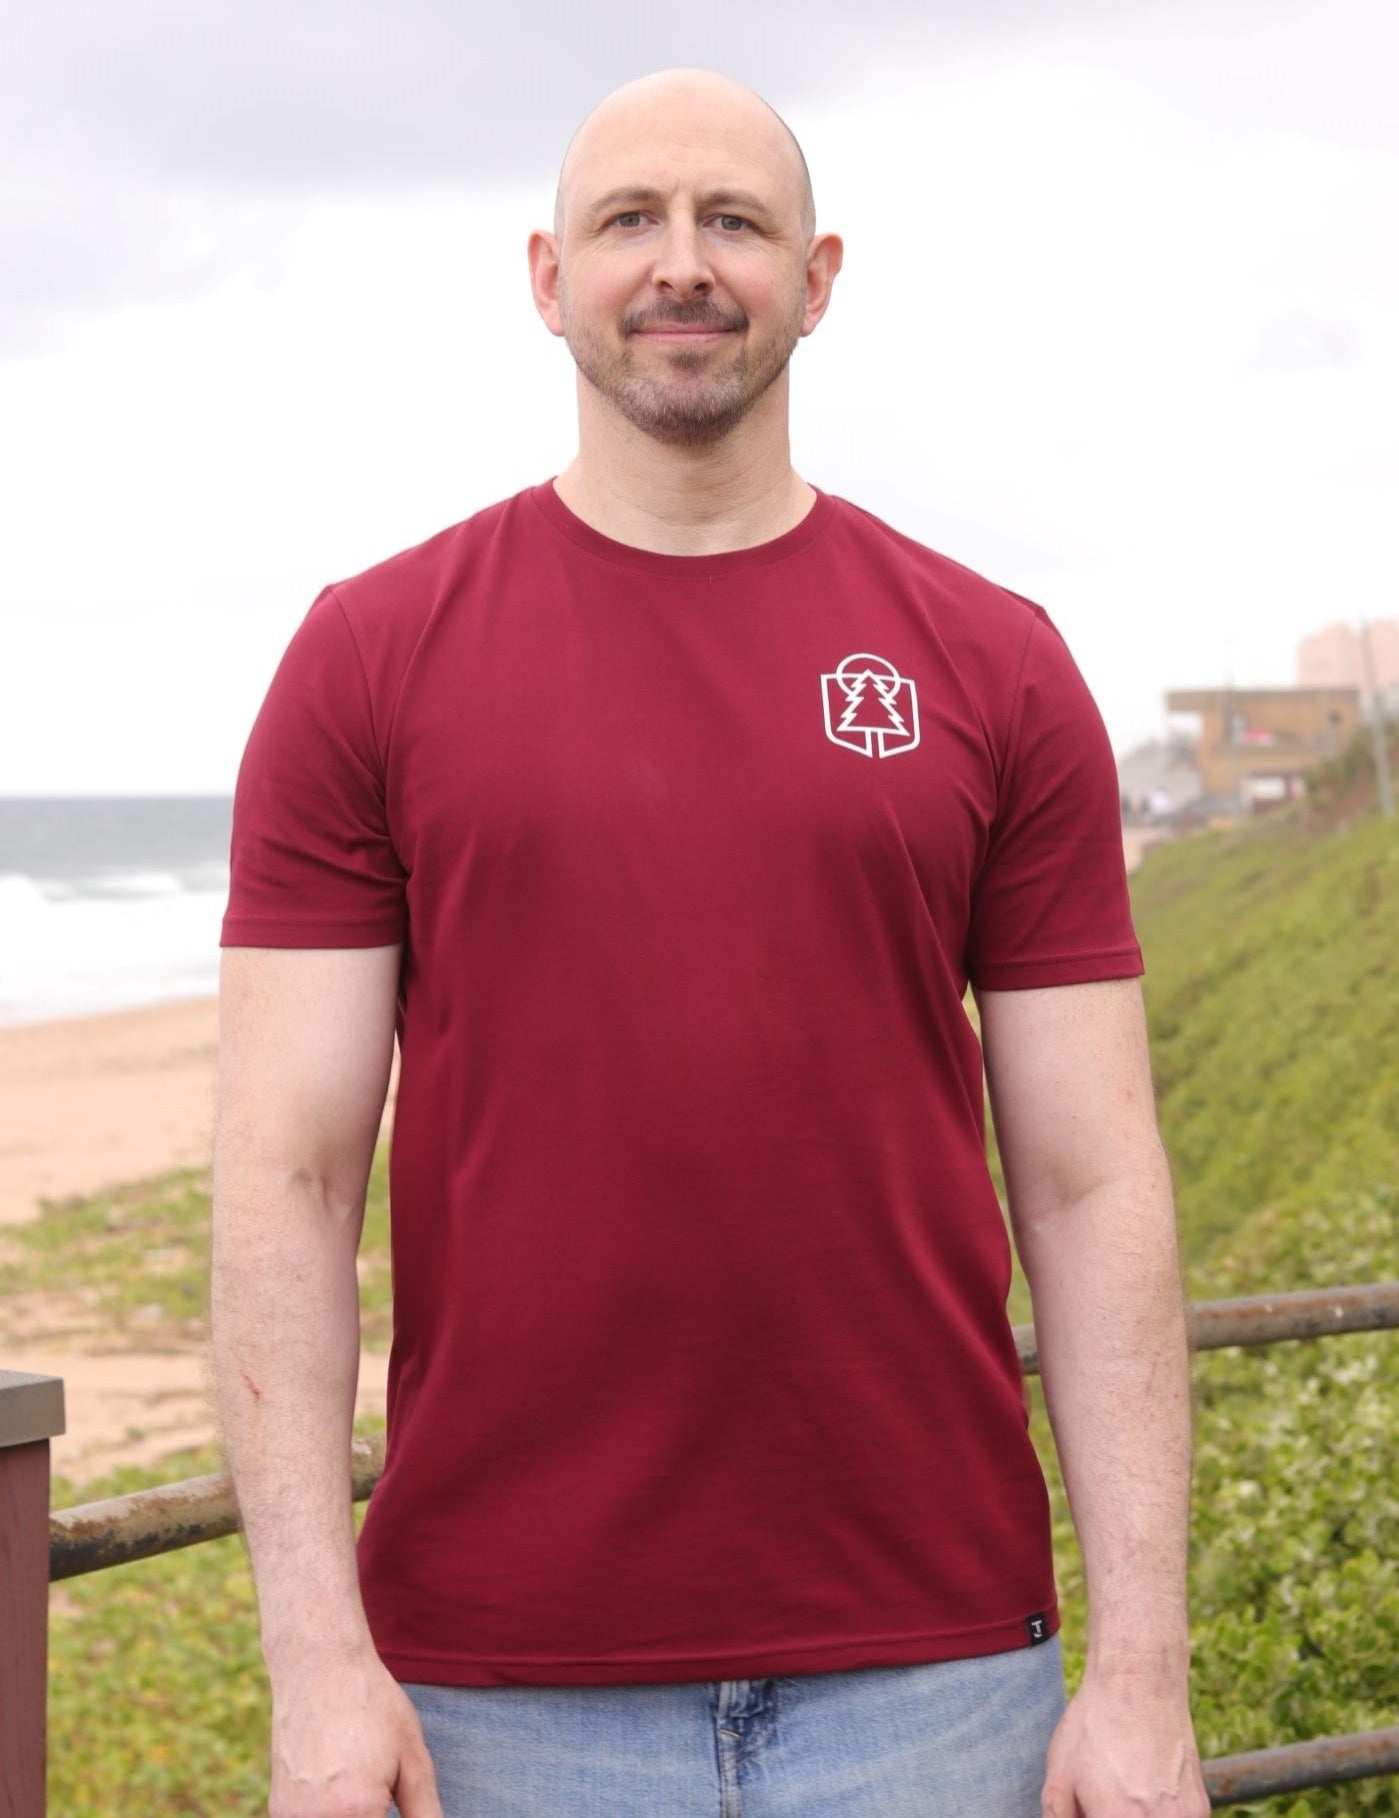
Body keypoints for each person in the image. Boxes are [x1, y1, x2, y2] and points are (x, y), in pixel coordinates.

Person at [212, 67, 1209, 1818]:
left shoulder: (996, 661)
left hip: (939, 1670)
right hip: (489, 1687)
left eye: (734, 222)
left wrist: (1141, 1675)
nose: (683, 265)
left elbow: (1091, 1179)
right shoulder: (369, 659)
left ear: (819, 278)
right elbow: (287, 1175)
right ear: (547, 277)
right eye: (631, 222)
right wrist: (315, 1664)